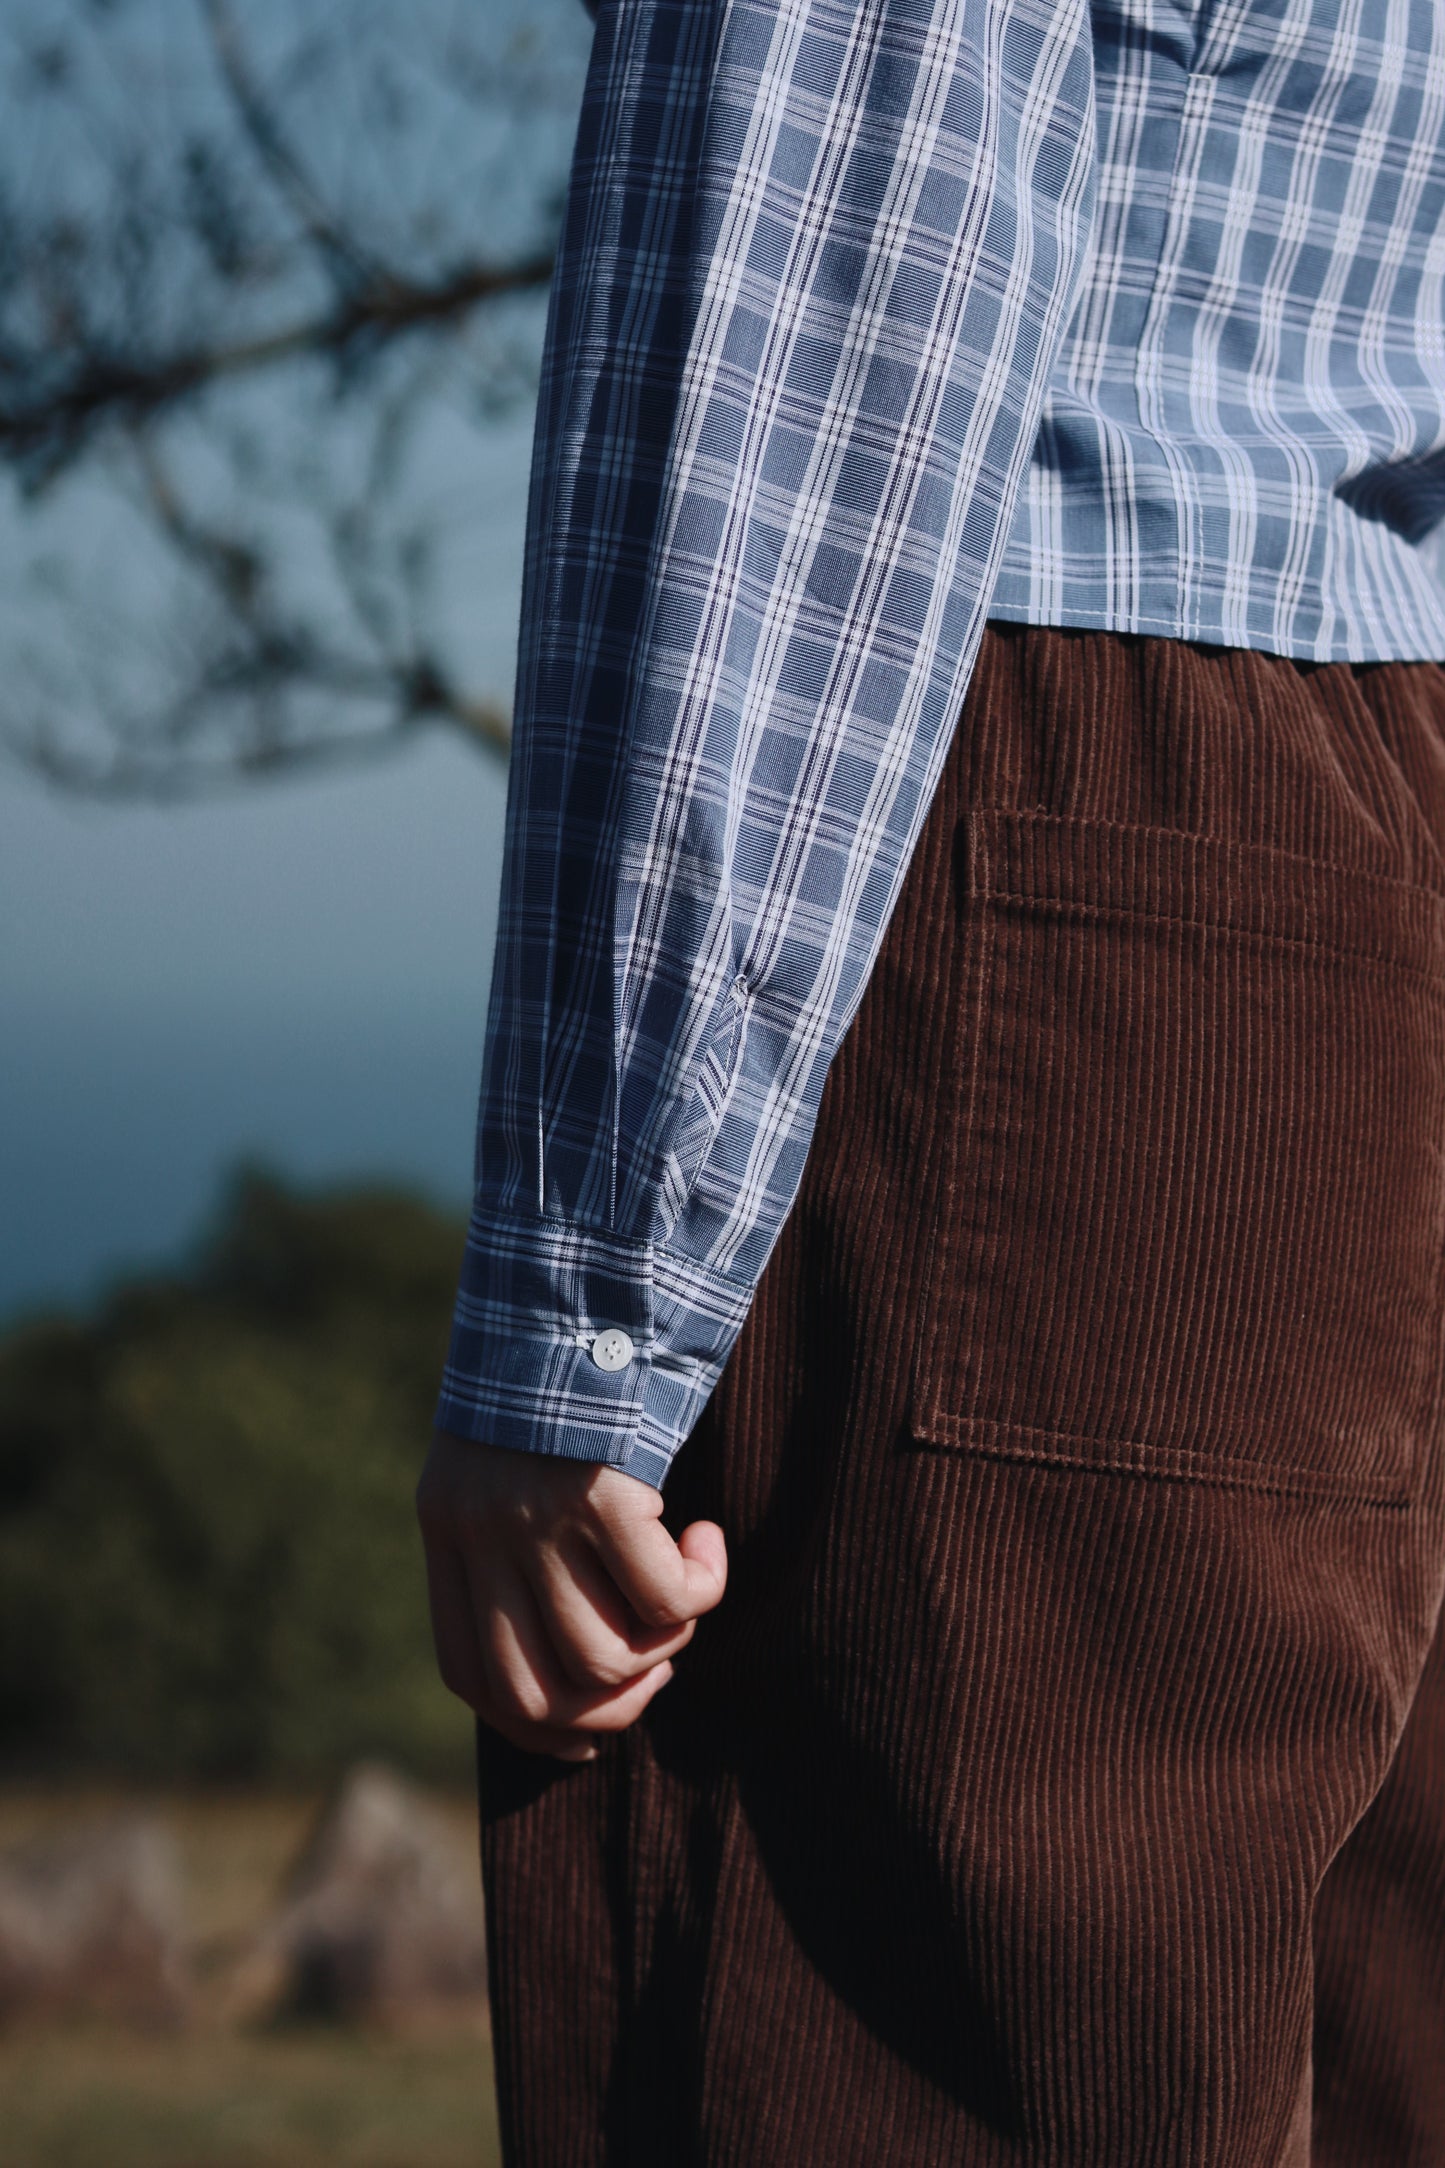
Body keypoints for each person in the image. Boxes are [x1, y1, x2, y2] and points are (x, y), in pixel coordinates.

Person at [414, 0, 1445, 2156]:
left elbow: (813, 322)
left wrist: (594, 1301)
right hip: (1378, 836)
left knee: (888, 2047)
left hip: (1046, 850)